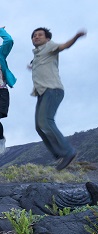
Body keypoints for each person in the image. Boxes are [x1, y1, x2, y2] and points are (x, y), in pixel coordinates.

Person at [30, 28, 86, 171]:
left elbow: (64, 46)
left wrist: (76, 36)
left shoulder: (50, 46)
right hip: (43, 93)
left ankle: (68, 152)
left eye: (40, 35)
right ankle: (58, 153)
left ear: (47, 38)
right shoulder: (37, 55)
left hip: (53, 90)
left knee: (46, 121)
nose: (36, 37)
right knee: (39, 126)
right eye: (34, 36)